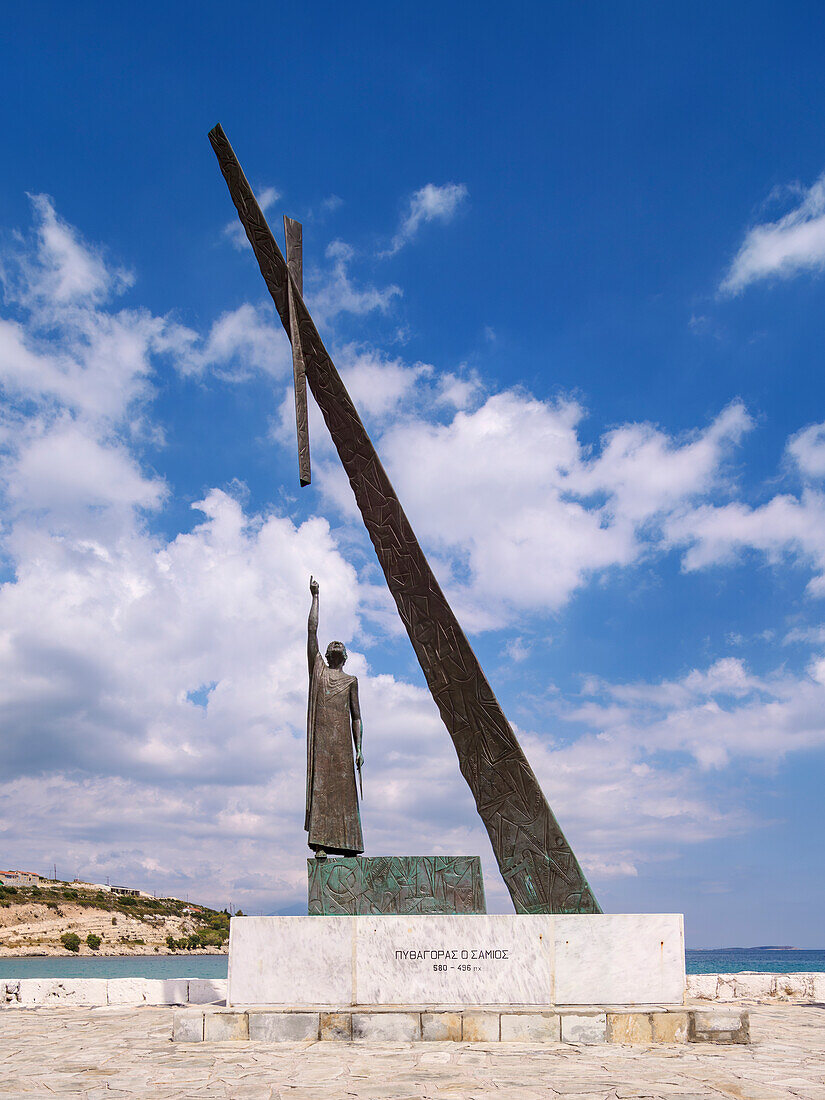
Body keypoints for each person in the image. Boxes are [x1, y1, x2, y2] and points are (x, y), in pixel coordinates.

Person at [305, 576, 364, 860]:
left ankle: (349, 845)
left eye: (341, 646)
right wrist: (316, 598)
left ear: (345, 656)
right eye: (333, 645)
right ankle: (321, 844)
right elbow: (311, 632)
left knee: (344, 793)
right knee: (324, 791)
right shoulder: (318, 671)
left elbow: (357, 716)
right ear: (328, 654)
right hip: (323, 743)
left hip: (342, 744)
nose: (336, 646)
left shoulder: (351, 681)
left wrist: (360, 748)